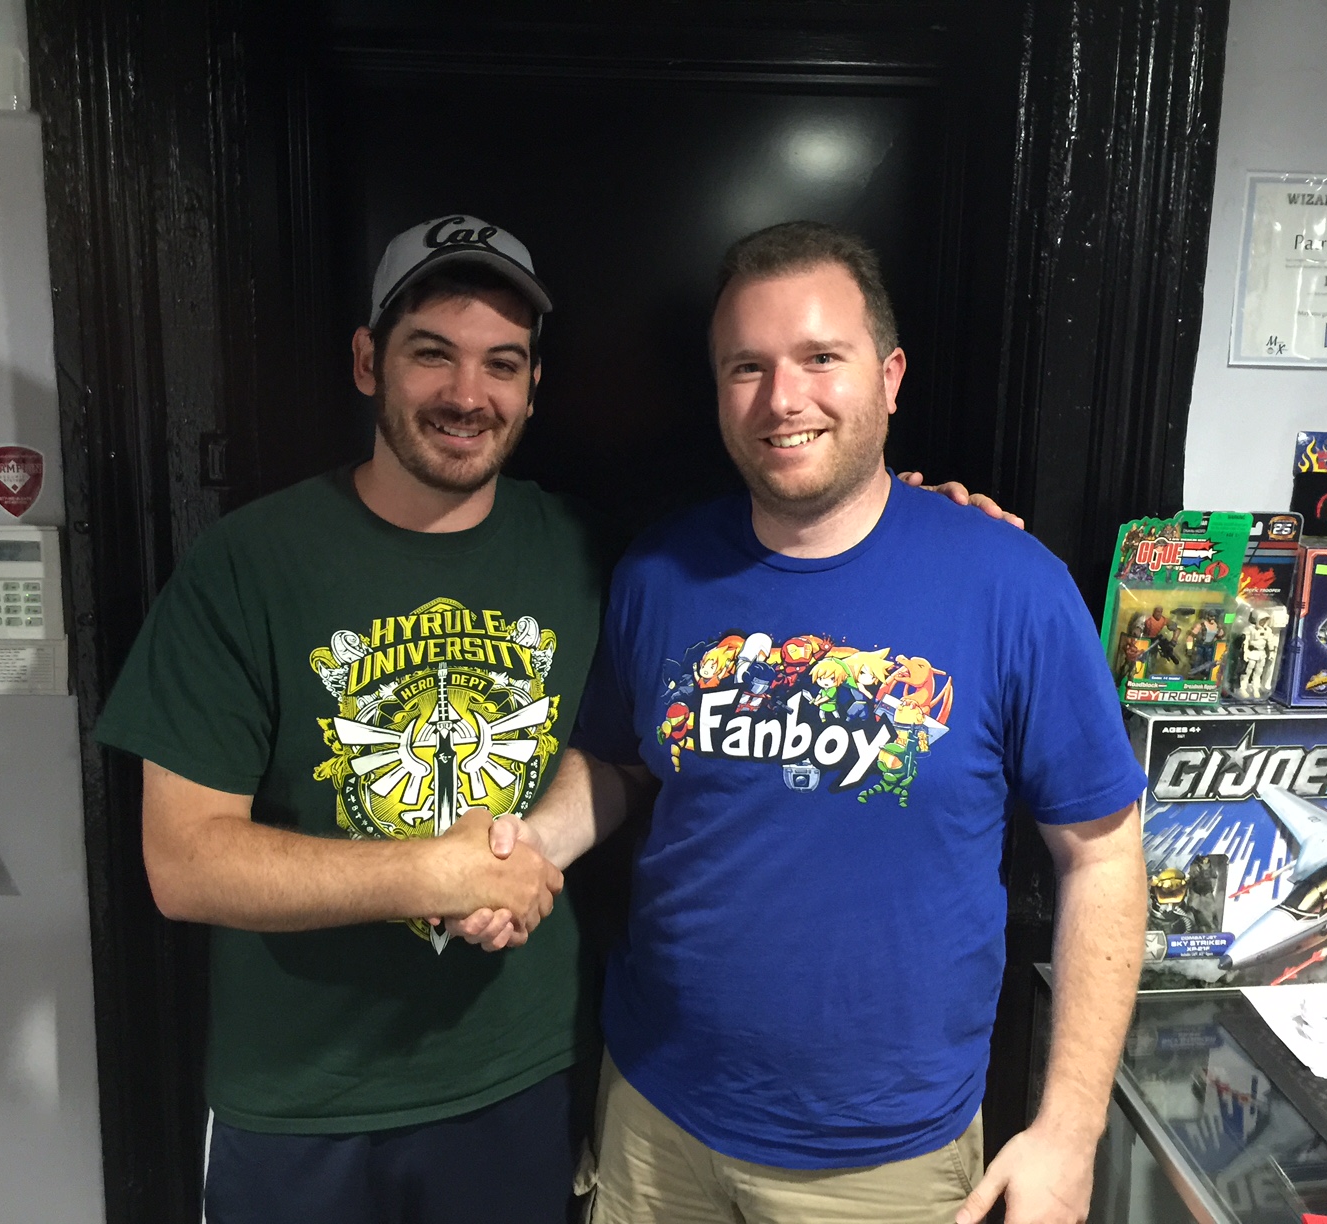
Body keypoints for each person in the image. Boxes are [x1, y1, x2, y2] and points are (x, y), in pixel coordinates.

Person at [94, 214, 1015, 1224]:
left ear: (533, 386)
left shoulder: (599, 556)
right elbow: (183, 862)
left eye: (502, 363)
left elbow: (648, 738)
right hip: (299, 1100)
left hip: (523, 1083)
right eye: (430, 353)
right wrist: (430, 874)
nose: (467, 393)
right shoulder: (247, 564)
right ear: (367, 362)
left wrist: (913, 518)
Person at [459, 221, 1148, 1224]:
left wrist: (1070, 1132)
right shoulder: (660, 573)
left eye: (821, 357)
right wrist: (524, 852)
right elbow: (618, 762)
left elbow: (1104, 855)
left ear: (890, 377)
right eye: (747, 366)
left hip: (884, 1162)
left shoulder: (1013, 587)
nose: (783, 399)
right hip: (656, 1119)